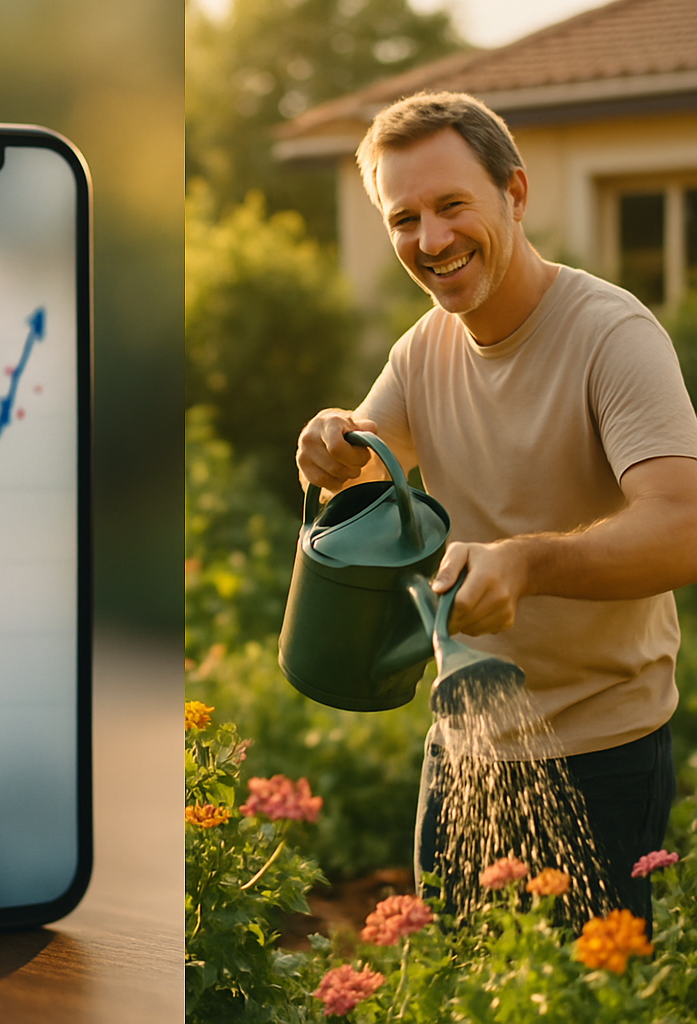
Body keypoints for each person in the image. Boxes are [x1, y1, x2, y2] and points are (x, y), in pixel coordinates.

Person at [294, 91, 697, 929]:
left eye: (451, 206)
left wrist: (530, 561)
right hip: (465, 746)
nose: (430, 241)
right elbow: (371, 485)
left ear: (514, 195)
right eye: (404, 218)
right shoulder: (421, 352)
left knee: (591, 1005)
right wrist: (331, 451)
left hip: (601, 751)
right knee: (452, 990)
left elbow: (683, 525)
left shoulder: (612, 337)